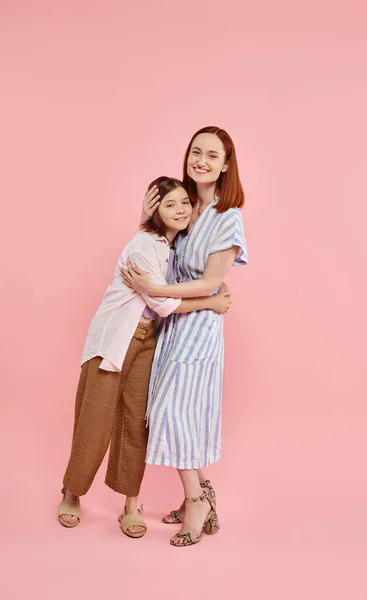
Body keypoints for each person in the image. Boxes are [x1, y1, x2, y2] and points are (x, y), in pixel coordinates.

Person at [57, 176, 232, 538]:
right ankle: (72, 494)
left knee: (136, 424)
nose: (181, 210)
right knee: (95, 420)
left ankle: (131, 505)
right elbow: (163, 301)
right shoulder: (143, 246)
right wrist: (212, 302)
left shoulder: (173, 246)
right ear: (155, 210)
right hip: (114, 339)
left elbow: (175, 286)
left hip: (148, 341)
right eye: (170, 205)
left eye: (185, 202)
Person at [121, 126, 248, 546]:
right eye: (197, 152)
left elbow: (210, 281)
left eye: (213, 155)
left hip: (197, 327)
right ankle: (201, 494)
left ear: (226, 165)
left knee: (176, 411)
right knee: (178, 413)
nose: (202, 160)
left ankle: (196, 500)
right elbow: (156, 249)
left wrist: (155, 289)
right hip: (170, 324)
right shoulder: (184, 205)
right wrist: (148, 215)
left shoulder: (229, 218)